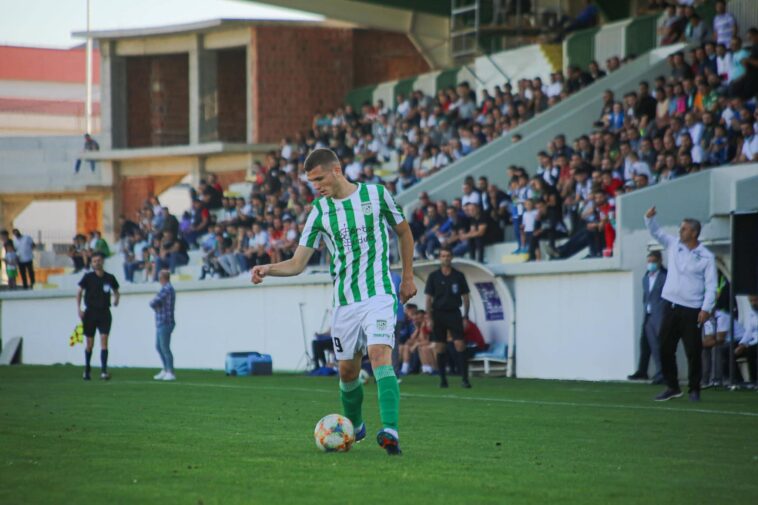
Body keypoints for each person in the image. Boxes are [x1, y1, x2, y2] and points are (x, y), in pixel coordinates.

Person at [251, 148, 416, 455]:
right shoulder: (319, 211)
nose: (316, 186)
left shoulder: (377, 195)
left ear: (336, 170)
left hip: (379, 293)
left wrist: (407, 277)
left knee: (379, 354)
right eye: (311, 181)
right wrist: (268, 269)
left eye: (319, 179)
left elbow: (405, 233)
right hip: (344, 301)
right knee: (347, 372)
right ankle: (355, 426)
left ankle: (390, 430)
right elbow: (298, 263)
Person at [644, 207, 717, 402]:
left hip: (692, 309)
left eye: (684, 229)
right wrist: (649, 219)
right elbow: (657, 233)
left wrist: (706, 308)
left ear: (694, 232)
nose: (680, 231)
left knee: (693, 351)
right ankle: (672, 387)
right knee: (665, 348)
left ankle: (694, 389)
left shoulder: (706, 256)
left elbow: (711, 285)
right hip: (670, 305)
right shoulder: (674, 244)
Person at [424, 246, 472, 389]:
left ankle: (465, 379)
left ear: (452, 257)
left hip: (454, 313)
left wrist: (466, 316)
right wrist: (429, 318)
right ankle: (443, 379)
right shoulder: (433, 276)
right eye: (443, 256)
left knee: (460, 344)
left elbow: (466, 297)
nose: (445, 258)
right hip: (438, 313)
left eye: (448, 256)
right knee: (440, 347)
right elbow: (428, 298)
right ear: (440, 258)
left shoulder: (459, 276)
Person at [76, 252, 120, 380]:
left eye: (99, 260)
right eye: (94, 261)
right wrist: (79, 309)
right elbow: (79, 292)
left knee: (104, 340)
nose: (97, 263)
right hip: (90, 312)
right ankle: (87, 369)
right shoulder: (88, 277)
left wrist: (116, 299)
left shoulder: (109, 277)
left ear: (103, 261)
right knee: (90, 343)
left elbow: (116, 291)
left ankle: (103, 371)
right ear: (92, 263)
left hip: (104, 312)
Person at [628, 251, 667, 384]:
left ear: (660, 261)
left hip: (660, 315)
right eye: (649, 261)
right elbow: (646, 297)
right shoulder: (646, 277)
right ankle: (652, 371)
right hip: (648, 315)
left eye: (653, 261)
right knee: (650, 344)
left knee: (662, 345)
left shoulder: (665, 276)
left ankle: (664, 373)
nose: (650, 264)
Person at [149, 270, 177, 381]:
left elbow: (153, 302)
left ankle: (170, 371)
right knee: (159, 346)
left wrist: (156, 306)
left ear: (162, 278)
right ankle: (166, 369)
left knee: (165, 347)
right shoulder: (167, 288)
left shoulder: (166, 289)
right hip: (162, 322)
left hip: (165, 322)